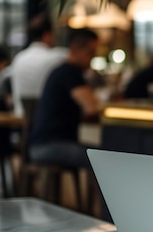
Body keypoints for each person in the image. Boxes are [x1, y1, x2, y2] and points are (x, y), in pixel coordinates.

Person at [28, 28, 100, 168]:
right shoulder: (70, 73)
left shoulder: (61, 71)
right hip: (51, 146)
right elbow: (91, 108)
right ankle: (100, 191)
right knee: (101, 158)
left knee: (98, 155)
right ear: (74, 49)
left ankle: (93, 191)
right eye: (90, 52)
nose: (93, 57)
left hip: (40, 144)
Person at [8, 13, 68, 116]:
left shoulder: (19, 58)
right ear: (47, 35)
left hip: (20, 117)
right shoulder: (56, 57)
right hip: (47, 118)